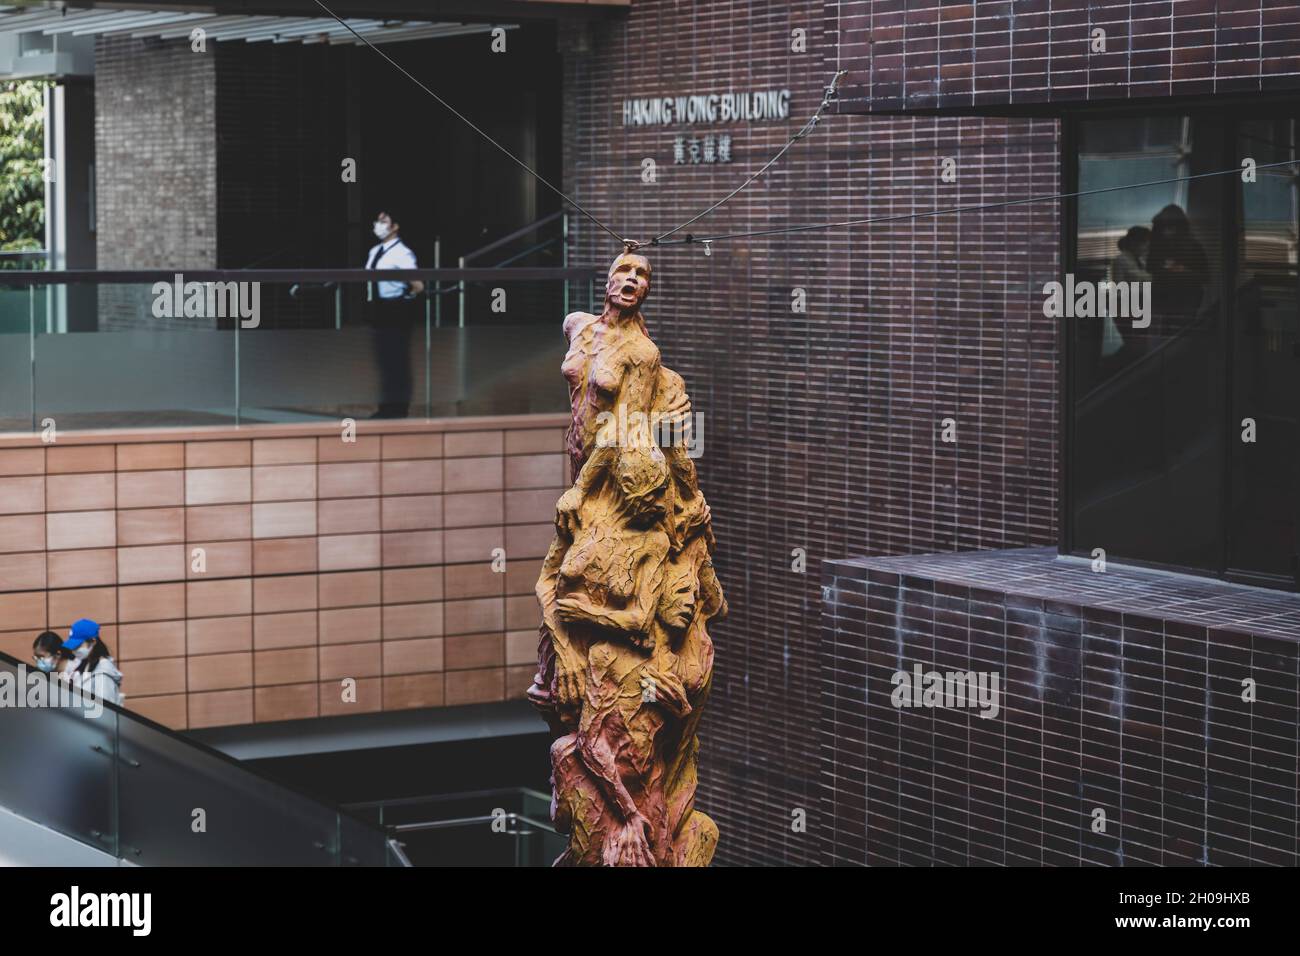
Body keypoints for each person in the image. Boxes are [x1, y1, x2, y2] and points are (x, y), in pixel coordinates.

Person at [365, 210, 424, 419]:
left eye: (384, 221)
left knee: (398, 361)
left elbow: (417, 284)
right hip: (378, 309)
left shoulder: (402, 253)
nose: (378, 225)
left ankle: (398, 409)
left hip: (395, 309)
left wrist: (404, 297)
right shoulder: (375, 251)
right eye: (377, 220)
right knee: (385, 361)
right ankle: (386, 407)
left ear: (395, 226)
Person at [1100, 226, 1152, 361]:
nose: (1147, 246)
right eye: (1145, 243)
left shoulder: (1139, 260)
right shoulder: (1121, 260)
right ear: (1135, 242)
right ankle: (1111, 365)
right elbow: (1132, 281)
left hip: (1137, 305)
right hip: (1125, 306)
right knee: (1135, 344)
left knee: (1139, 344)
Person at [62, 619, 123, 706]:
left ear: (93, 642)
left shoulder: (103, 675)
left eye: (78, 645)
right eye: (73, 646)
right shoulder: (85, 664)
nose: (74, 650)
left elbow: (106, 712)